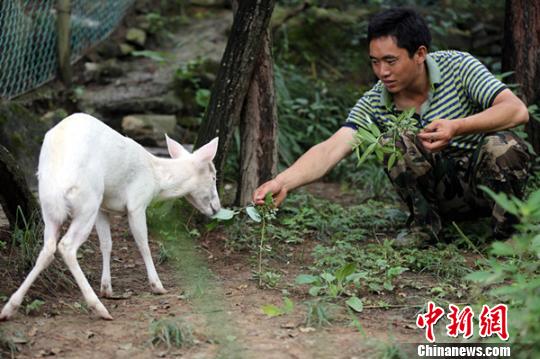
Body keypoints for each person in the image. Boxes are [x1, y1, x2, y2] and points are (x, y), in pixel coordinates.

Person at [253, 7, 530, 244]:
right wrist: (282, 182)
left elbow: (516, 110)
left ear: (420, 54)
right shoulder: (374, 101)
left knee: (503, 145)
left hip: (482, 185)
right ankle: (424, 227)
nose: (382, 72)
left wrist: (457, 127)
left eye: (391, 61)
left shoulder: (458, 66)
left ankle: (508, 235)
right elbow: (331, 148)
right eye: (375, 62)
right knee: (393, 141)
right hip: (437, 195)